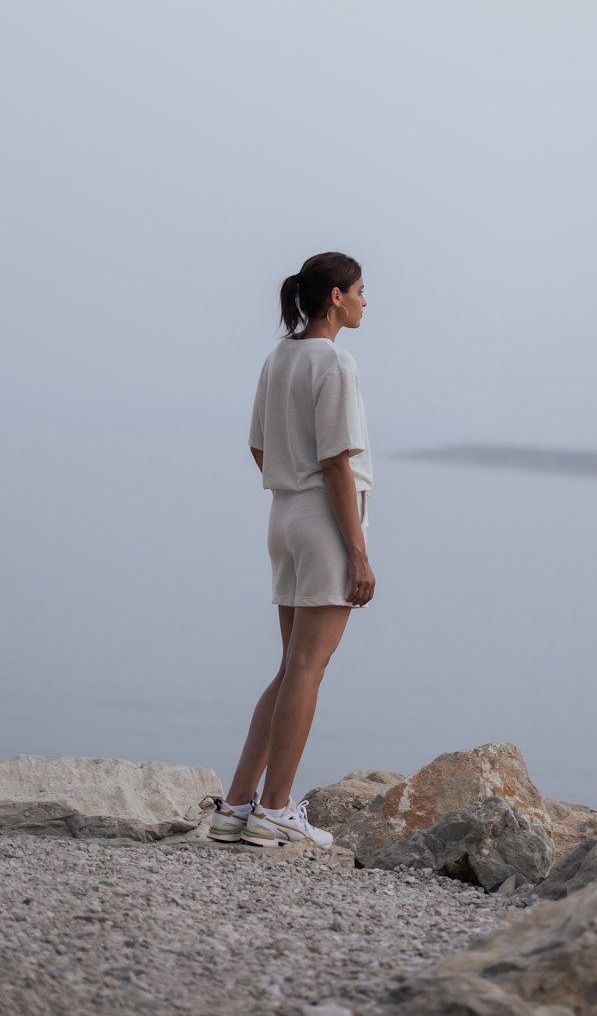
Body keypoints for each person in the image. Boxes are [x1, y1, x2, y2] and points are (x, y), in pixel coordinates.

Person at [207, 252, 376, 848]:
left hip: (282, 517)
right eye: (359, 290)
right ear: (335, 297)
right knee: (309, 667)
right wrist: (358, 553)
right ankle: (276, 809)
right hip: (324, 520)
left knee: (290, 667)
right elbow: (337, 462)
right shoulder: (334, 362)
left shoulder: (279, 357)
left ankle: (235, 806)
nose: (365, 301)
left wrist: (291, 480)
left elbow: (258, 447)